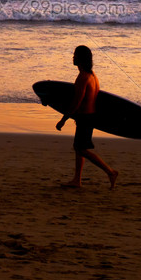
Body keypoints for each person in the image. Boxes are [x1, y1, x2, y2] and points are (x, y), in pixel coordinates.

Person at [56, 46, 118, 189]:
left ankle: (110, 172)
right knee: (79, 148)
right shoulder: (92, 75)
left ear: (81, 58)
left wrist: (63, 120)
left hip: (85, 118)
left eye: (75, 55)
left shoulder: (83, 77)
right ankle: (77, 180)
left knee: (82, 150)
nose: (73, 57)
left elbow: (76, 103)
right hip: (88, 117)